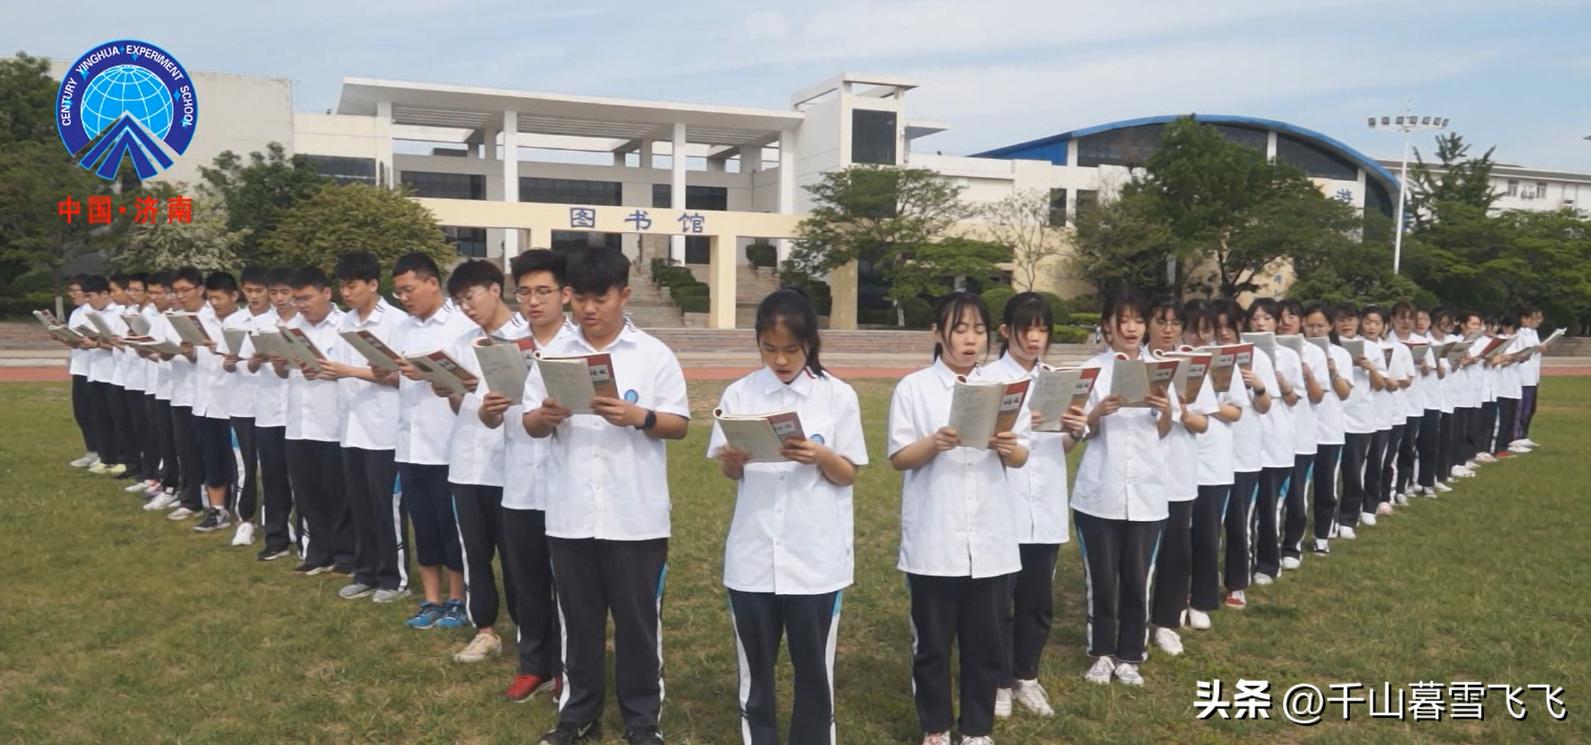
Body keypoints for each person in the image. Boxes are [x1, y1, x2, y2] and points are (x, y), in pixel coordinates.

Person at [522, 246, 689, 745]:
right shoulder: (553, 355)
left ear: (624, 295)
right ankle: (578, 715)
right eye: (580, 299)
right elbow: (529, 422)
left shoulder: (654, 354)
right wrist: (546, 416)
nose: (588, 310)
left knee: (639, 624)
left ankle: (642, 721)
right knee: (578, 621)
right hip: (571, 512)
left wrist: (640, 418)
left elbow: (679, 424)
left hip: (634, 514)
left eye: (601, 298)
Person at [708, 288, 867, 745]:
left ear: (810, 344)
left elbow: (848, 474)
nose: (780, 360)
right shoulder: (739, 393)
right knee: (756, 669)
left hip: (815, 559)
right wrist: (734, 460)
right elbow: (727, 469)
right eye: (770, 349)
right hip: (753, 555)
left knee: (813, 670)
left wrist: (819, 455)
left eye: (791, 350)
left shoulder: (837, 396)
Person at [886, 291, 1028, 744]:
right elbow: (900, 457)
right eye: (960, 329)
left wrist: (1009, 448)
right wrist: (936, 442)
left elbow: (1021, 453)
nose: (970, 340)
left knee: (984, 642)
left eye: (978, 330)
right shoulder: (914, 388)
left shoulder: (1002, 387)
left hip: (989, 533)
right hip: (936, 534)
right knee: (932, 643)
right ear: (937, 334)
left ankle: (976, 728)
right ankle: (935, 726)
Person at [479, 250, 575, 701]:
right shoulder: (505, 348)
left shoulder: (580, 347)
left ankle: (570, 668)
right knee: (527, 582)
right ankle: (533, 664)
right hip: (518, 484)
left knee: (571, 588)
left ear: (564, 294)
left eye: (544, 292)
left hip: (568, 486)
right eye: (525, 292)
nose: (533, 302)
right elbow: (491, 417)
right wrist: (489, 410)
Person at [986, 293, 1083, 716]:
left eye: (1042, 329)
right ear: (1007, 331)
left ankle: (1028, 675)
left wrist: (1077, 430)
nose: (1034, 337)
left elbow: (1057, 447)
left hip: (1043, 505)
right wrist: (1024, 421)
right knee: (997, 604)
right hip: (1000, 505)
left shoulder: (1055, 380)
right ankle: (999, 680)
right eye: (1025, 328)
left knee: (1036, 603)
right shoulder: (988, 379)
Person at [1073, 286, 1172, 687]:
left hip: (1147, 492)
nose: (1131, 328)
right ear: (1107, 328)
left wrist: (1163, 409)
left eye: (1137, 320)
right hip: (1100, 491)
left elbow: (1164, 430)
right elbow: (1078, 431)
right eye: (1123, 321)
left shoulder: (1161, 367)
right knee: (1101, 578)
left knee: (1137, 577)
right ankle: (1101, 652)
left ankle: (1131, 653)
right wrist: (1097, 412)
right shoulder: (1091, 370)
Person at [436, 259, 528, 664]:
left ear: (495, 288)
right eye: (458, 301)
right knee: (474, 550)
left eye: (470, 297)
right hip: (466, 461)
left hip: (510, 465)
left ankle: (530, 628)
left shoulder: (527, 339)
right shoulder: (463, 343)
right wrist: (450, 388)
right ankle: (485, 629)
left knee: (516, 554)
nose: (467, 307)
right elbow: (461, 406)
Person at [389, 253, 476, 630]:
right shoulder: (402, 329)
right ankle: (431, 599)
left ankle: (458, 598)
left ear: (431, 284)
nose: (405, 298)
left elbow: (471, 380)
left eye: (409, 289)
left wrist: (428, 372)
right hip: (410, 441)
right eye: (399, 293)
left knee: (449, 525)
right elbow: (398, 378)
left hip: (448, 442)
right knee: (422, 523)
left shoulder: (460, 325)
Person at [319, 252, 410, 604]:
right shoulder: (345, 324)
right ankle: (366, 570)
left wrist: (348, 371)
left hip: (385, 429)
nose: (346, 292)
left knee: (386, 506)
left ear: (373, 284)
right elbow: (337, 367)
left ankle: (394, 577)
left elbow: (400, 376)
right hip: (352, 426)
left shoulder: (396, 323)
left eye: (352, 285)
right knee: (360, 504)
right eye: (342, 285)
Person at [1144, 296, 1213, 657]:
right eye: (1160, 322)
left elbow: (1204, 422)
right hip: (1139, 474)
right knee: (1138, 555)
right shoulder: (1135, 365)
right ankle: (1135, 620)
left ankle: (1167, 621)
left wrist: (1186, 413)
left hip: (1179, 475)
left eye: (1174, 323)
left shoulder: (1193, 365)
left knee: (1175, 551)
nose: (1168, 330)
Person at [275, 266, 351, 575]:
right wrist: (281, 364)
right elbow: (283, 373)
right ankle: (317, 552)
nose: (302, 305)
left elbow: (351, 371)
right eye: (297, 300)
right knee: (307, 492)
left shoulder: (345, 326)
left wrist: (323, 369)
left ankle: (346, 554)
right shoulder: (292, 328)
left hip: (332, 421)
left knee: (339, 493)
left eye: (307, 298)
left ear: (326, 293)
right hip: (298, 421)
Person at [1183, 299, 1245, 631]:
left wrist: (1207, 407)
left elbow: (1237, 411)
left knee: (1206, 534)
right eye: (1193, 329)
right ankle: (1175, 596)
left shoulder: (1224, 364)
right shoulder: (1172, 362)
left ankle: (1201, 599)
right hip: (1176, 460)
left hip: (1213, 459)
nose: (1200, 336)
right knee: (1179, 535)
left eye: (1205, 330)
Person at [1210, 298, 1273, 610]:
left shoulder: (1256, 357)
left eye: (1229, 326)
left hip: (1243, 451)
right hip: (1207, 454)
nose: (1223, 333)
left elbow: (1265, 406)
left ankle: (1236, 582)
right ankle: (1201, 581)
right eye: (1217, 327)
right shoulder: (1204, 355)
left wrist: (1258, 386)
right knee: (1206, 525)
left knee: (1238, 520)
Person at [245, 268, 302, 559]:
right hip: (268, 410)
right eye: (275, 292)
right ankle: (276, 536)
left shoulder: (305, 323)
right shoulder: (261, 323)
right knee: (272, 476)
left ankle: (307, 538)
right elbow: (250, 366)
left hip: (300, 412)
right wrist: (257, 359)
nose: (279, 299)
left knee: (302, 479)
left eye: (285, 292)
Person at [1243, 298, 1300, 585]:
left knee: (1269, 507)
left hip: (1276, 439)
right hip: (1247, 442)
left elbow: (1294, 398)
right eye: (1255, 318)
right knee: (1247, 511)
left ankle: (1268, 563)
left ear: (1277, 321)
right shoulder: (1240, 354)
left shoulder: (1289, 356)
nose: (1260, 323)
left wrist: (1279, 381)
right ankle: (1248, 563)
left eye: (1266, 317)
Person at [189, 271, 243, 534]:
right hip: (205, 401)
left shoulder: (243, 322)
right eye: (210, 298)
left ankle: (242, 511)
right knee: (211, 458)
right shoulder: (201, 319)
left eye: (219, 298)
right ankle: (216, 509)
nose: (215, 303)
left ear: (234, 296)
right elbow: (193, 356)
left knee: (235, 461)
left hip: (232, 402)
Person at [1276, 299, 1327, 568]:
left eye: (1291, 317)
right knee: (1271, 498)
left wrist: (1307, 375)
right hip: (1271, 436)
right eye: (1280, 316)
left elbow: (1318, 397)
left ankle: (1292, 546)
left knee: (1296, 495)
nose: (1285, 321)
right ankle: (1269, 546)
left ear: (1301, 322)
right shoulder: (1265, 350)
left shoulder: (1313, 353)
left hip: (1301, 436)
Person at [1300, 303, 1353, 552]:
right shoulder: (1298, 352)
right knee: (1299, 490)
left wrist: (1333, 372)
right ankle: (1293, 539)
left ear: (1330, 327)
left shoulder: (1340, 354)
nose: (1315, 330)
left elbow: (1344, 394)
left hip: (1328, 430)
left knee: (1325, 486)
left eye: (1320, 325)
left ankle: (1322, 536)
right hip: (1301, 431)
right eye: (1310, 325)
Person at [1332, 303, 1387, 539]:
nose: (1346, 324)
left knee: (1354, 473)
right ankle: (1330, 520)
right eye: (1341, 319)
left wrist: (1370, 367)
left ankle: (1348, 518)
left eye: (1351, 319)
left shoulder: (1371, 348)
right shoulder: (1328, 347)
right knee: (1328, 476)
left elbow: (1380, 385)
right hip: (1330, 419)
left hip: (1359, 418)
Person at [161, 267, 209, 522]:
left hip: (209, 396)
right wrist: (170, 350)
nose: (179, 296)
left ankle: (216, 499)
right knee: (186, 449)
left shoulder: (211, 317)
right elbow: (166, 352)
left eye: (184, 291)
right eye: (175, 291)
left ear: (200, 289)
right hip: (180, 392)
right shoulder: (174, 317)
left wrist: (194, 353)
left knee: (210, 451)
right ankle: (190, 499)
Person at [63, 276, 100, 469]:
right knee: (81, 412)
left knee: (95, 412)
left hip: (93, 368)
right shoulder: (76, 313)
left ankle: (103, 450)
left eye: (75, 290)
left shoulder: (94, 312)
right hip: (79, 366)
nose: (72, 295)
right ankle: (91, 450)